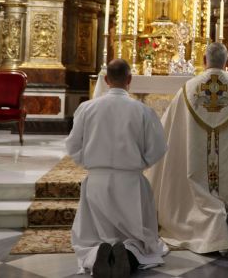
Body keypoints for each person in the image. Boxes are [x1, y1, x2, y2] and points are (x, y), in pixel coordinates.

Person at [147, 42, 228, 254]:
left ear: (204, 61)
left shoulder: (188, 90)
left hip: (196, 169)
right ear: (226, 62)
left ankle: (206, 224)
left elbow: (168, 130)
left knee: (196, 190)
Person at [65, 59, 169, 277]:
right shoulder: (142, 111)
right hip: (131, 183)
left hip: (97, 182)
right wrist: (140, 163)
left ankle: (95, 256)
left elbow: (73, 145)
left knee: (90, 237)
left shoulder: (87, 108)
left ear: (106, 80)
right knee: (139, 238)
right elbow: (159, 147)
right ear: (129, 80)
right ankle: (129, 254)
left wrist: (91, 164)